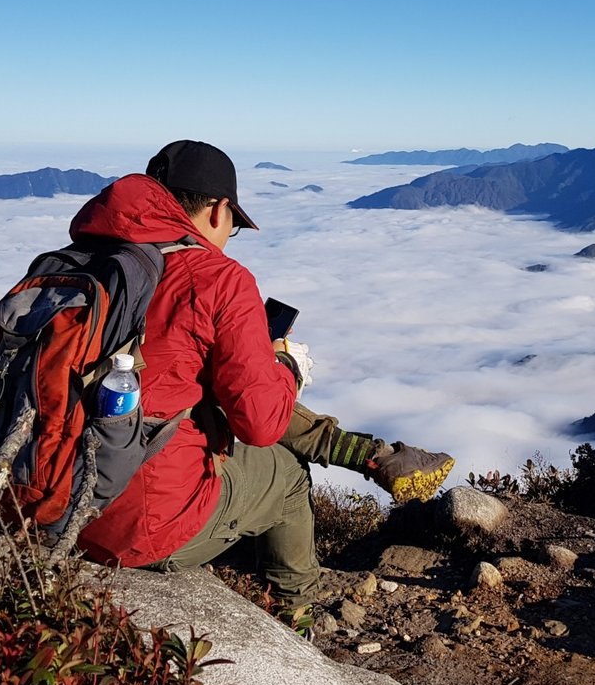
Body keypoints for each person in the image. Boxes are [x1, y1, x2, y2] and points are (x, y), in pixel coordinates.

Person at [73, 140, 453, 611]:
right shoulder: (215, 278)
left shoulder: (72, 267)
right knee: (288, 474)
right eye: (234, 224)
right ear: (218, 209)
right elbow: (261, 424)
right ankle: (296, 617)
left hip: (42, 502)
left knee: (213, 392)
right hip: (131, 527)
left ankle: (377, 457)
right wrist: (286, 367)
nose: (230, 235)